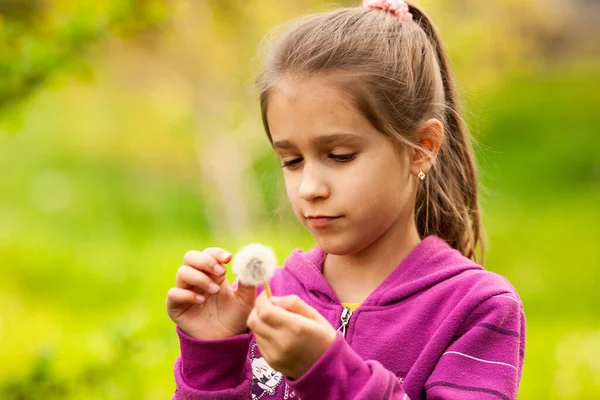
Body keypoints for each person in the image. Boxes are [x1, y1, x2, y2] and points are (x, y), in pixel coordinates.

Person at [166, 0, 526, 398]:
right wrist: (213, 354)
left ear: (422, 147)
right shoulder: (269, 297)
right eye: (292, 160)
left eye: (339, 156)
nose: (310, 188)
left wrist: (328, 372)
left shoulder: (475, 308)